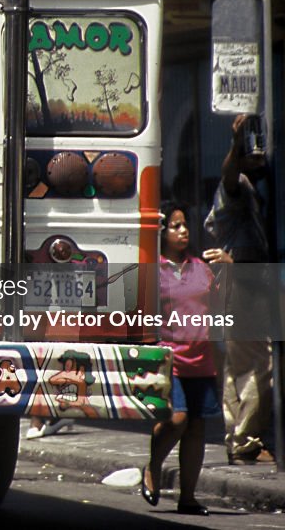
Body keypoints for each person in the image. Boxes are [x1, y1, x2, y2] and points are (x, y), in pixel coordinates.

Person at [142, 200, 230, 516]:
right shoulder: (154, 269)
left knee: (196, 429)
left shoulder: (201, 267)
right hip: (170, 359)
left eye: (184, 225)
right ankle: (153, 466)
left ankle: (188, 498)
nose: (182, 231)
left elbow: (223, 305)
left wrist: (230, 269)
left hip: (202, 358)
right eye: (175, 226)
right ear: (162, 232)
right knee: (177, 419)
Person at [204, 114, 275, 465]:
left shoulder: (260, 194)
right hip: (240, 286)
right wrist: (235, 144)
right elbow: (229, 175)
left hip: (243, 284)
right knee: (259, 366)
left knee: (237, 368)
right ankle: (247, 440)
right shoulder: (239, 188)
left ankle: (239, 439)